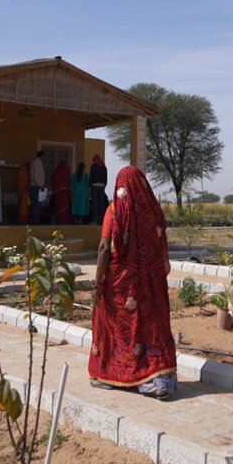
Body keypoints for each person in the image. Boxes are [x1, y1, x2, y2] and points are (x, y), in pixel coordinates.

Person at [88, 166, 177, 399]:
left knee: (112, 324)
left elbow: (104, 248)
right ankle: (158, 379)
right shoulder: (154, 213)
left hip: (121, 284)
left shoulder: (115, 211)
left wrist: (98, 281)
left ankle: (114, 374)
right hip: (150, 285)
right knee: (152, 327)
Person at [50, 157, 72, 224]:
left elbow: (53, 180)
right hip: (65, 192)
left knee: (59, 207)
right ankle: (64, 220)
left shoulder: (55, 172)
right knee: (64, 207)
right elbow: (68, 180)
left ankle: (58, 220)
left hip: (58, 193)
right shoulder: (66, 170)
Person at [29, 150, 47, 224]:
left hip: (36, 186)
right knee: (36, 204)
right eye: (43, 156)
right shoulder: (36, 163)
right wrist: (40, 185)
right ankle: (35, 220)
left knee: (37, 204)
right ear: (41, 156)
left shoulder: (38, 163)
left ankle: (36, 219)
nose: (44, 158)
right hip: (36, 186)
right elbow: (36, 176)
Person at [89, 154, 109, 224]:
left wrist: (90, 185)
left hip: (94, 186)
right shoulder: (104, 167)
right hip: (102, 186)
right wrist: (104, 185)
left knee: (94, 203)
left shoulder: (94, 166)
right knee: (101, 203)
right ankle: (102, 220)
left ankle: (95, 219)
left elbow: (91, 177)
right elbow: (106, 178)